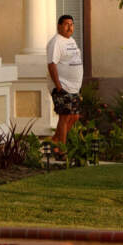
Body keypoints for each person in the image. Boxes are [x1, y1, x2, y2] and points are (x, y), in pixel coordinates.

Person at [47, 14, 82, 146]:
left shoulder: (71, 41)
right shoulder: (56, 42)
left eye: (71, 24)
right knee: (64, 116)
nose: (70, 27)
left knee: (74, 116)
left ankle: (55, 141)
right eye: (67, 24)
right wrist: (58, 87)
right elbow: (51, 64)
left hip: (74, 88)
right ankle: (61, 149)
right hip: (62, 87)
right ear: (59, 26)